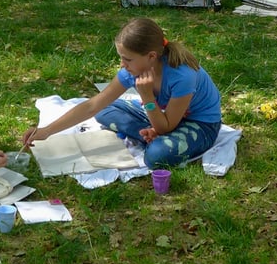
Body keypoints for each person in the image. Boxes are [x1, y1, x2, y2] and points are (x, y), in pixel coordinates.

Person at [22, 18, 222, 169]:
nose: (122, 64)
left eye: (127, 59)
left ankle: (153, 139)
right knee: (105, 110)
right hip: (162, 117)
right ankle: (148, 134)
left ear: (151, 56)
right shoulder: (133, 70)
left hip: (201, 124)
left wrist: (147, 97)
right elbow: (93, 105)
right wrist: (46, 131)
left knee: (157, 156)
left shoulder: (182, 75)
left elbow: (166, 126)